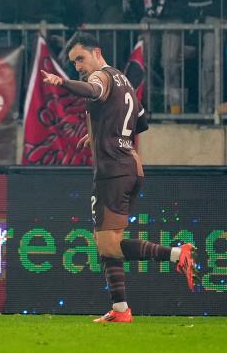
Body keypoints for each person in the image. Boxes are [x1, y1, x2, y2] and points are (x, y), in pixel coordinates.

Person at [41, 33, 198, 323]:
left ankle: (177, 254)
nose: (78, 66)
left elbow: (93, 91)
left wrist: (62, 82)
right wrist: (102, 132)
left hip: (112, 171)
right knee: (110, 241)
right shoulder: (123, 79)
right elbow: (140, 121)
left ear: (96, 52)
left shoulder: (100, 77)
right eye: (73, 62)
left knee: (107, 245)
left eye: (80, 58)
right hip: (131, 165)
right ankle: (121, 310)